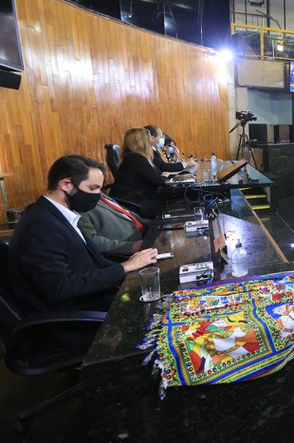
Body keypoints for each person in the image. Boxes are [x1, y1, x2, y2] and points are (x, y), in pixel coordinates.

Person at [7, 155, 158, 315]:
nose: (98, 195)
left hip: (93, 299)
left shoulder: (59, 213)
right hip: (74, 315)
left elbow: (94, 263)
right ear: (66, 185)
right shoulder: (40, 226)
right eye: (92, 188)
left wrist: (132, 265)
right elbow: (60, 288)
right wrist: (124, 268)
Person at [110, 127, 173, 219]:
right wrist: (164, 177)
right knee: (172, 204)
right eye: (148, 139)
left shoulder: (132, 157)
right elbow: (158, 180)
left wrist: (175, 176)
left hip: (134, 199)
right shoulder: (136, 159)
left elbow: (158, 174)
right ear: (142, 142)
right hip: (133, 204)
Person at [78, 194, 149, 256]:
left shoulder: (98, 193)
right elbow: (90, 241)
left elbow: (124, 213)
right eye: (92, 187)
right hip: (132, 247)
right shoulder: (80, 207)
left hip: (145, 232)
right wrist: (130, 247)